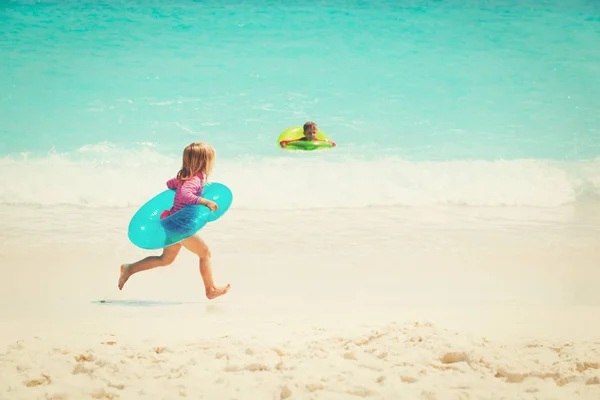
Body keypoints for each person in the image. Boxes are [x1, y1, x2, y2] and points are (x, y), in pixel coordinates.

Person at [118, 142, 231, 300]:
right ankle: (210, 289)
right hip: (181, 227)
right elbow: (185, 194)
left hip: (172, 224)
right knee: (205, 253)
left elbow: (170, 184)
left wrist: (179, 182)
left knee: (165, 260)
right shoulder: (195, 179)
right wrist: (205, 202)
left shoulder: (185, 176)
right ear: (204, 161)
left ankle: (129, 269)